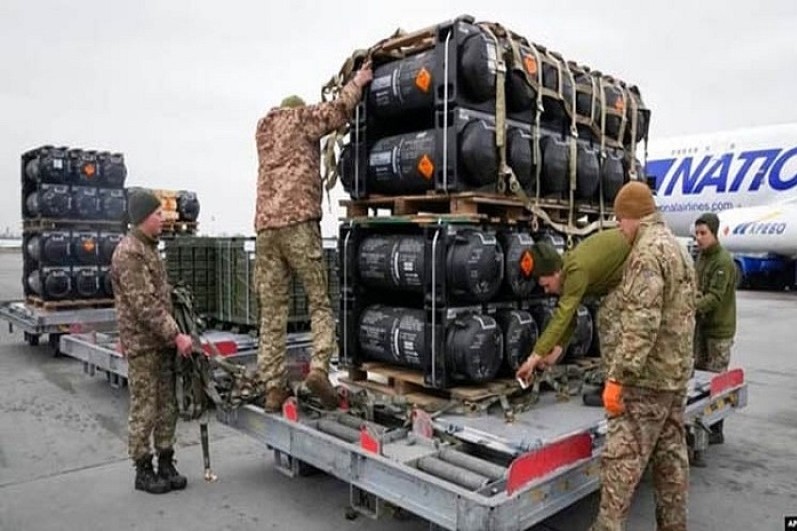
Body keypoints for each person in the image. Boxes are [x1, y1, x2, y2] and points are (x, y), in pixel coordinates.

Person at [254, 61, 373, 412]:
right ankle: (319, 368)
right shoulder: (300, 119)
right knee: (319, 302)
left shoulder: (263, 130)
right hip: (299, 225)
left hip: (265, 230)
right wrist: (359, 81)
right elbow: (336, 112)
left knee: (272, 313)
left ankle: (274, 388)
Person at [590, 181, 696, 531]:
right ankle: (673, 525)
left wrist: (618, 377)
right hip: (674, 376)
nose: (620, 228)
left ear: (634, 216)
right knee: (670, 459)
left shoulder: (647, 253)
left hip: (646, 382)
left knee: (621, 461)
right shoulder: (679, 248)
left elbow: (642, 322)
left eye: (620, 220)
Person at [111, 190, 194, 494]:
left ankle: (166, 460)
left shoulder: (148, 249)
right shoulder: (129, 253)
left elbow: (160, 296)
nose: (163, 219)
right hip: (144, 345)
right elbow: (144, 304)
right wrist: (176, 335)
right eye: (158, 214)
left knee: (167, 405)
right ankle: (143, 468)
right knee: (145, 407)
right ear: (144, 218)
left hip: (160, 344)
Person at [514, 228, 631, 385]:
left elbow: (562, 317)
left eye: (546, 285)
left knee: (608, 319)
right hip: (623, 274)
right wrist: (556, 351)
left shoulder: (576, 271)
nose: (546, 291)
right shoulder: (567, 269)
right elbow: (570, 319)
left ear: (556, 273)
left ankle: (618, 385)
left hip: (637, 264)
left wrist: (533, 358)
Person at [692, 212, 737, 462]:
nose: (698, 238)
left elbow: (715, 297)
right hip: (702, 328)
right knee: (699, 381)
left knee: (716, 381)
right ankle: (703, 427)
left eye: (703, 233)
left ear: (714, 233)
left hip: (718, 331)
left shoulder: (722, 261)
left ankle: (716, 429)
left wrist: (690, 306)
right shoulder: (702, 258)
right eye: (696, 233)